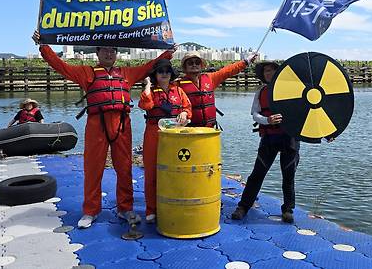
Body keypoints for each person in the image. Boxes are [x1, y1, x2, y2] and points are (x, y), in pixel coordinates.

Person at [32, 30, 175, 229]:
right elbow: (61, 66)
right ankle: (90, 210)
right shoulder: (86, 73)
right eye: (105, 50)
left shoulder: (127, 74)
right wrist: (44, 46)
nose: (109, 53)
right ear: (98, 53)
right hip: (96, 124)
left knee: (124, 168)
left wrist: (168, 52)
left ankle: (125, 208)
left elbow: (149, 67)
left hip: (122, 124)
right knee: (93, 168)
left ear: (116, 53)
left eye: (112, 50)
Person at [231, 61, 303, 223]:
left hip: (289, 139)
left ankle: (288, 210)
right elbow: (255, 114)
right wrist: (267, 120)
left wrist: (326, 134)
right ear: (263, 75)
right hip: (269, 138)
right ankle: (243, 206)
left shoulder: (293, 91)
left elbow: (308, 112)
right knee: (257, 174)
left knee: (289, 176)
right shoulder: (261, 92)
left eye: (272, 70)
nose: (269, 73)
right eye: (266, 71)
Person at [138, 59, 191, 223]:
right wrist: (147, 85)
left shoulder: (179, 91)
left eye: (167, 71)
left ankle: (172, 205)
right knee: (151, 172)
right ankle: (151, 209)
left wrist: (184, 114)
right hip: (154, 132)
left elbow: (188, 108)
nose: (164, 74)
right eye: (160, 71)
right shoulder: (151, 91)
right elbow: (145, 105)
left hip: (175, 134)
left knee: (175, 170)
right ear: (155, 74)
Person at [177, 51, 258, 128]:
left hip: (210, 130)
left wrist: (246, 62)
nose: (194, 65)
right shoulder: (178, 85)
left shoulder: (210, 78)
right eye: (190, 63)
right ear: (185, 67)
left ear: (201, 65)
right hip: (190, 130)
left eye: (197, 62)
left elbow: (228, 71)